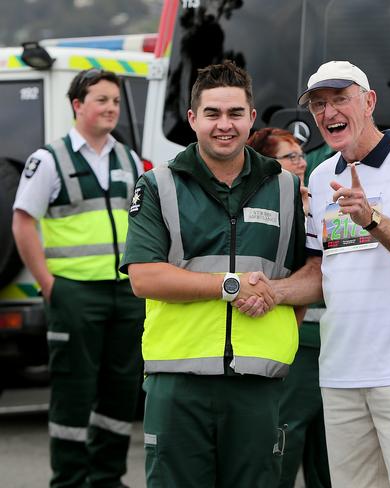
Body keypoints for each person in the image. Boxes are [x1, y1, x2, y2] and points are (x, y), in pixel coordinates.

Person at [120, 61, 306, 487]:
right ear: (193, 119)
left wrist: (275, 293)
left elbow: (310, 274)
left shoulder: (285, 188)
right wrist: (231, 286)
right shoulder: (157, 185)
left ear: (252, 117)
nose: (225, 125)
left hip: (258, 384)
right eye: (213, 114)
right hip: (177, 383)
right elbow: (144, 278)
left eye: (235, 113)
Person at [271, 60, 390, 488]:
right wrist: (273, 292)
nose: (328, 112)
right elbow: (319, 272)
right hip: (341, 375)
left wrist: (373, 219)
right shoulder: (319, 173)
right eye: (318, 104)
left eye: (339, 100)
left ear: (368, 102)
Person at [11, 68, 144, 488]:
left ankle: (107, 477)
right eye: (102, 100)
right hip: (74, 294)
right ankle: (69, 480)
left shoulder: (126, 158)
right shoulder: (48, 160)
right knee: (73, 390)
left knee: (121, 388)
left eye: (116, 102)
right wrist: (48, 285)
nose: (111, 108)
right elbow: (22, 223)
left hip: (124, 293)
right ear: (77, 106)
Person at [247, 127, 331, 488]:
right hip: (296, 339)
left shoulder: (316, 201)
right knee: (288, 436)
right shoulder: (270, 211)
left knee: (327, 446)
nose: (302, 162)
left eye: (301, 155)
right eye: (291, 156)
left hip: (330, 337)